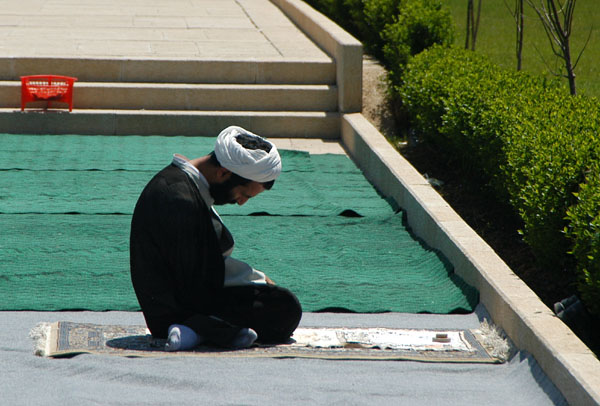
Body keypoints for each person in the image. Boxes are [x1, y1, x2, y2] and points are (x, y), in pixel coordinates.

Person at [130, 126, 302, 351]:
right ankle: (199, 328)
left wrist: (254, 279)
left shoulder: (185, 183)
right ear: (223, 173)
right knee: (283, 308)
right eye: (243, 194)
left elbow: (203, 264)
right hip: (173, 310)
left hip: (187, 294)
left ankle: (201, 331)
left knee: (278, 300)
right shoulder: (178, 198)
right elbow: (197, 282)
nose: (241, 203)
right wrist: (254, 281)